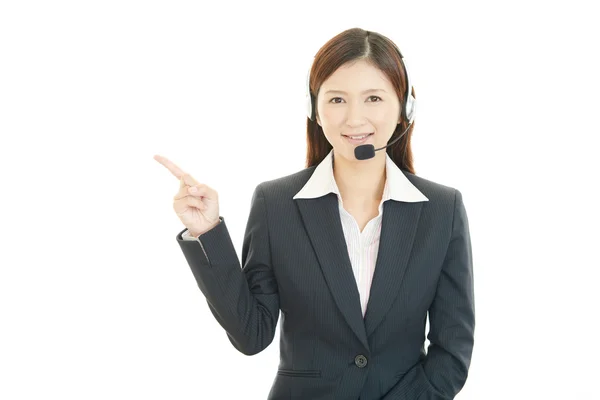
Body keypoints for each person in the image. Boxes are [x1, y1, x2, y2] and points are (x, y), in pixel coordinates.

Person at [154, 27, 474, 400]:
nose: (355, 119)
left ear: (405, 109)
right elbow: (251, 334)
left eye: (373, 98)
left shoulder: (442, 210)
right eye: (337, 100)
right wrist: (207, 232)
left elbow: (451, 354)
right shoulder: (275, 204)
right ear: (314, 110)